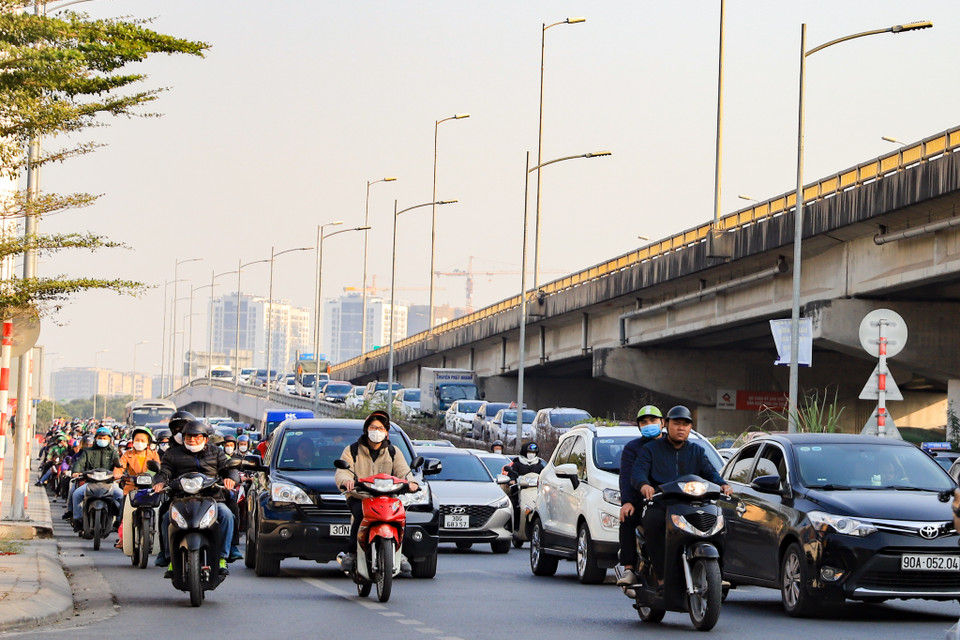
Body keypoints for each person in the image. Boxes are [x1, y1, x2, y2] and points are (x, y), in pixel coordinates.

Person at [630, 405, 731, 588]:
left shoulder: (697, 451)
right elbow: (638, 473)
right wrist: (644, 485)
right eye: (676, 423)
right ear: (666, 424)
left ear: (691, 427)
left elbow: (711, 473)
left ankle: (718, 574)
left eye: (686, 424)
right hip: (661, 503)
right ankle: (661, 575)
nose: (681, 428)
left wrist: (723, 484)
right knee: (653, 523)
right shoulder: (651, 449)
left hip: (693, 503)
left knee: (720, 523)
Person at [152, 418, 238, 576]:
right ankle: (170, 559)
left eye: (197, 436)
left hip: (212, 498)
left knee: (226, 514)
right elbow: (163, 472)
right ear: (183, 438)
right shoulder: (171, 455)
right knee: (165, 518)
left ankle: (222, 557)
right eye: (188, 436)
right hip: (180, 499)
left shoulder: (216, 452)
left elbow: (228, 469)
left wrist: (231, 478)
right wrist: (159, 482)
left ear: (205, 438)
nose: (192, 439)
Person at [334, 411, 418, 571]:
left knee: (400, 517)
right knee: (359, 514)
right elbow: (342, 472)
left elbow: (404, 472)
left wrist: (412, 483)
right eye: (373, 427)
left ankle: (399, 553)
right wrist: (347, 481)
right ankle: (352, 553)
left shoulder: (394, 452)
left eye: (380, 428)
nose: (376, 431)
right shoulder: (352, 450)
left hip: (387, 498)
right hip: (360, 496)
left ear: (386, 432)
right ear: (366, 429)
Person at [616, 405, 664, 587]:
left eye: (653, 420)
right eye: (644, 422)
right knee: (627, 517)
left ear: (663, 423)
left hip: (671, 499)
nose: (649, 424)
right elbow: (626, 477)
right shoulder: (632, 448)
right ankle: (629, 569)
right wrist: (628, 502)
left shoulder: (673, 445)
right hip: (642, 501)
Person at [68, 426, 123, 533]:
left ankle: (119, 521)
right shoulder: (88, 451)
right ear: (96, 439)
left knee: (121, 496)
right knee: (76, 494)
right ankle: (78, 520)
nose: (102, 440)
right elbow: (80, 463)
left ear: (109, 440)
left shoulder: (113, 452)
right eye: (100, 438)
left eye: (105, 438)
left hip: (109, 483)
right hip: (90, 483)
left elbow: (119, 466)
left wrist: (118, 473)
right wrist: (76, 471)